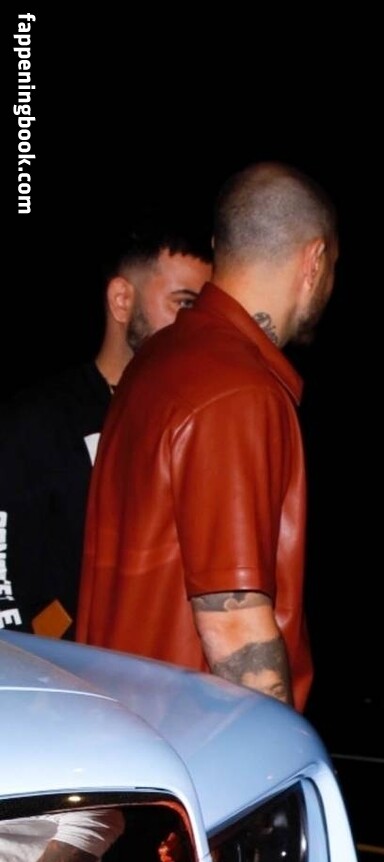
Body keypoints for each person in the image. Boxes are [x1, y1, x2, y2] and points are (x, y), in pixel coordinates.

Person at [78, 163, 338, 709]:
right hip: (194, 739)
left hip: (123, 724)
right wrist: (275, 753)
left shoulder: (157, 361)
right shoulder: (237, 390)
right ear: (314, 261)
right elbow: (234, 623)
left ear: (220, 248)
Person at [0, 227, 211, 639]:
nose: (198, 327)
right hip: (63, 670)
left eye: (204, 310)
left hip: (170, 669)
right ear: (121, 300)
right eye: (184, 304)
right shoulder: (36, 421)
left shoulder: (200, 422)